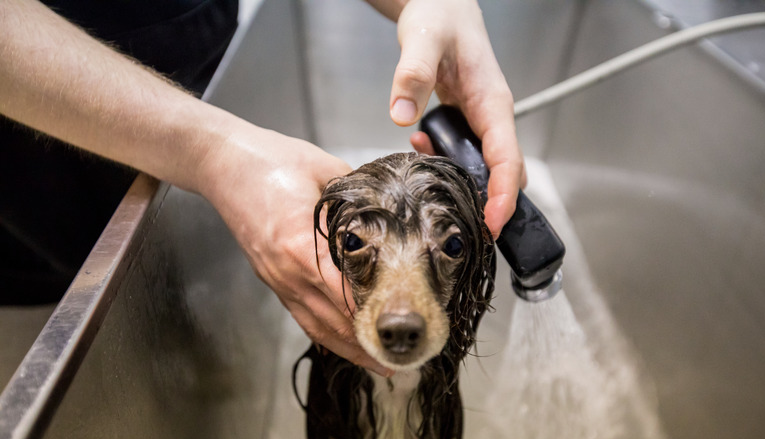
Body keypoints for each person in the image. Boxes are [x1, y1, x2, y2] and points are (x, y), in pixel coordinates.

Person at [0, 0, 525, 377]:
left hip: (198, 59)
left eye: (451, 246)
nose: (402, 317)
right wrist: (211, 151)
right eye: (355, 242)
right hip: (27, 180)